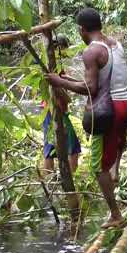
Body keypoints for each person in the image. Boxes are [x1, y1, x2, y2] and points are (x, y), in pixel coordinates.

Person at [45, 8, 127, 229]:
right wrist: (69, 79)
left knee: (97, 166)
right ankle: (115, 171)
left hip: (109, 110)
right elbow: (105, 80)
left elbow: (91, 88)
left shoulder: (91, 52)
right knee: (111, 150)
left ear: (81, 29)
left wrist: (59, 82)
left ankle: (116, 215)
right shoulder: (115, 45)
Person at [42, 34, 81, 175]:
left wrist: (80, 84)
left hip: (50, 109)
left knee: (50, 147)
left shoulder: (55, 64)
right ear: (57, 48)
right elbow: (56, 86)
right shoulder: (51, 64)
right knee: (73, 148)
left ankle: (51, 181)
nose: (66, 53)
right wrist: (68, 98)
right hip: (55, 109)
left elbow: (63, 79)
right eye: (64, 49)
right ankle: (71, 182)